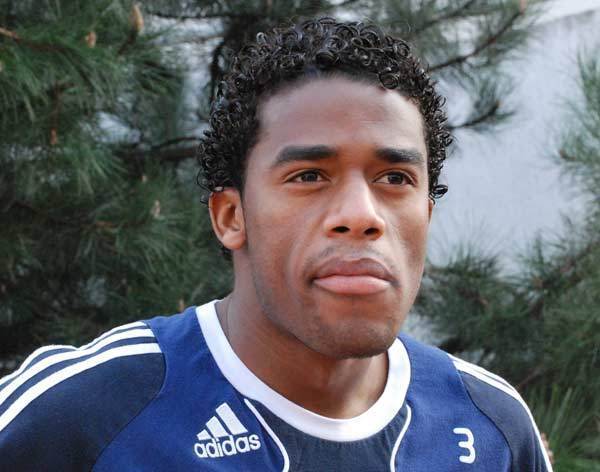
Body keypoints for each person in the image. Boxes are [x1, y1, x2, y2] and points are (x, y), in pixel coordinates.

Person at [0, 17, 552, 471]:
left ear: (426, 215)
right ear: (231, 216)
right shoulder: (87, 414)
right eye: (309, 176)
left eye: (394, 178)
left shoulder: (494, 429)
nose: (361, 216)